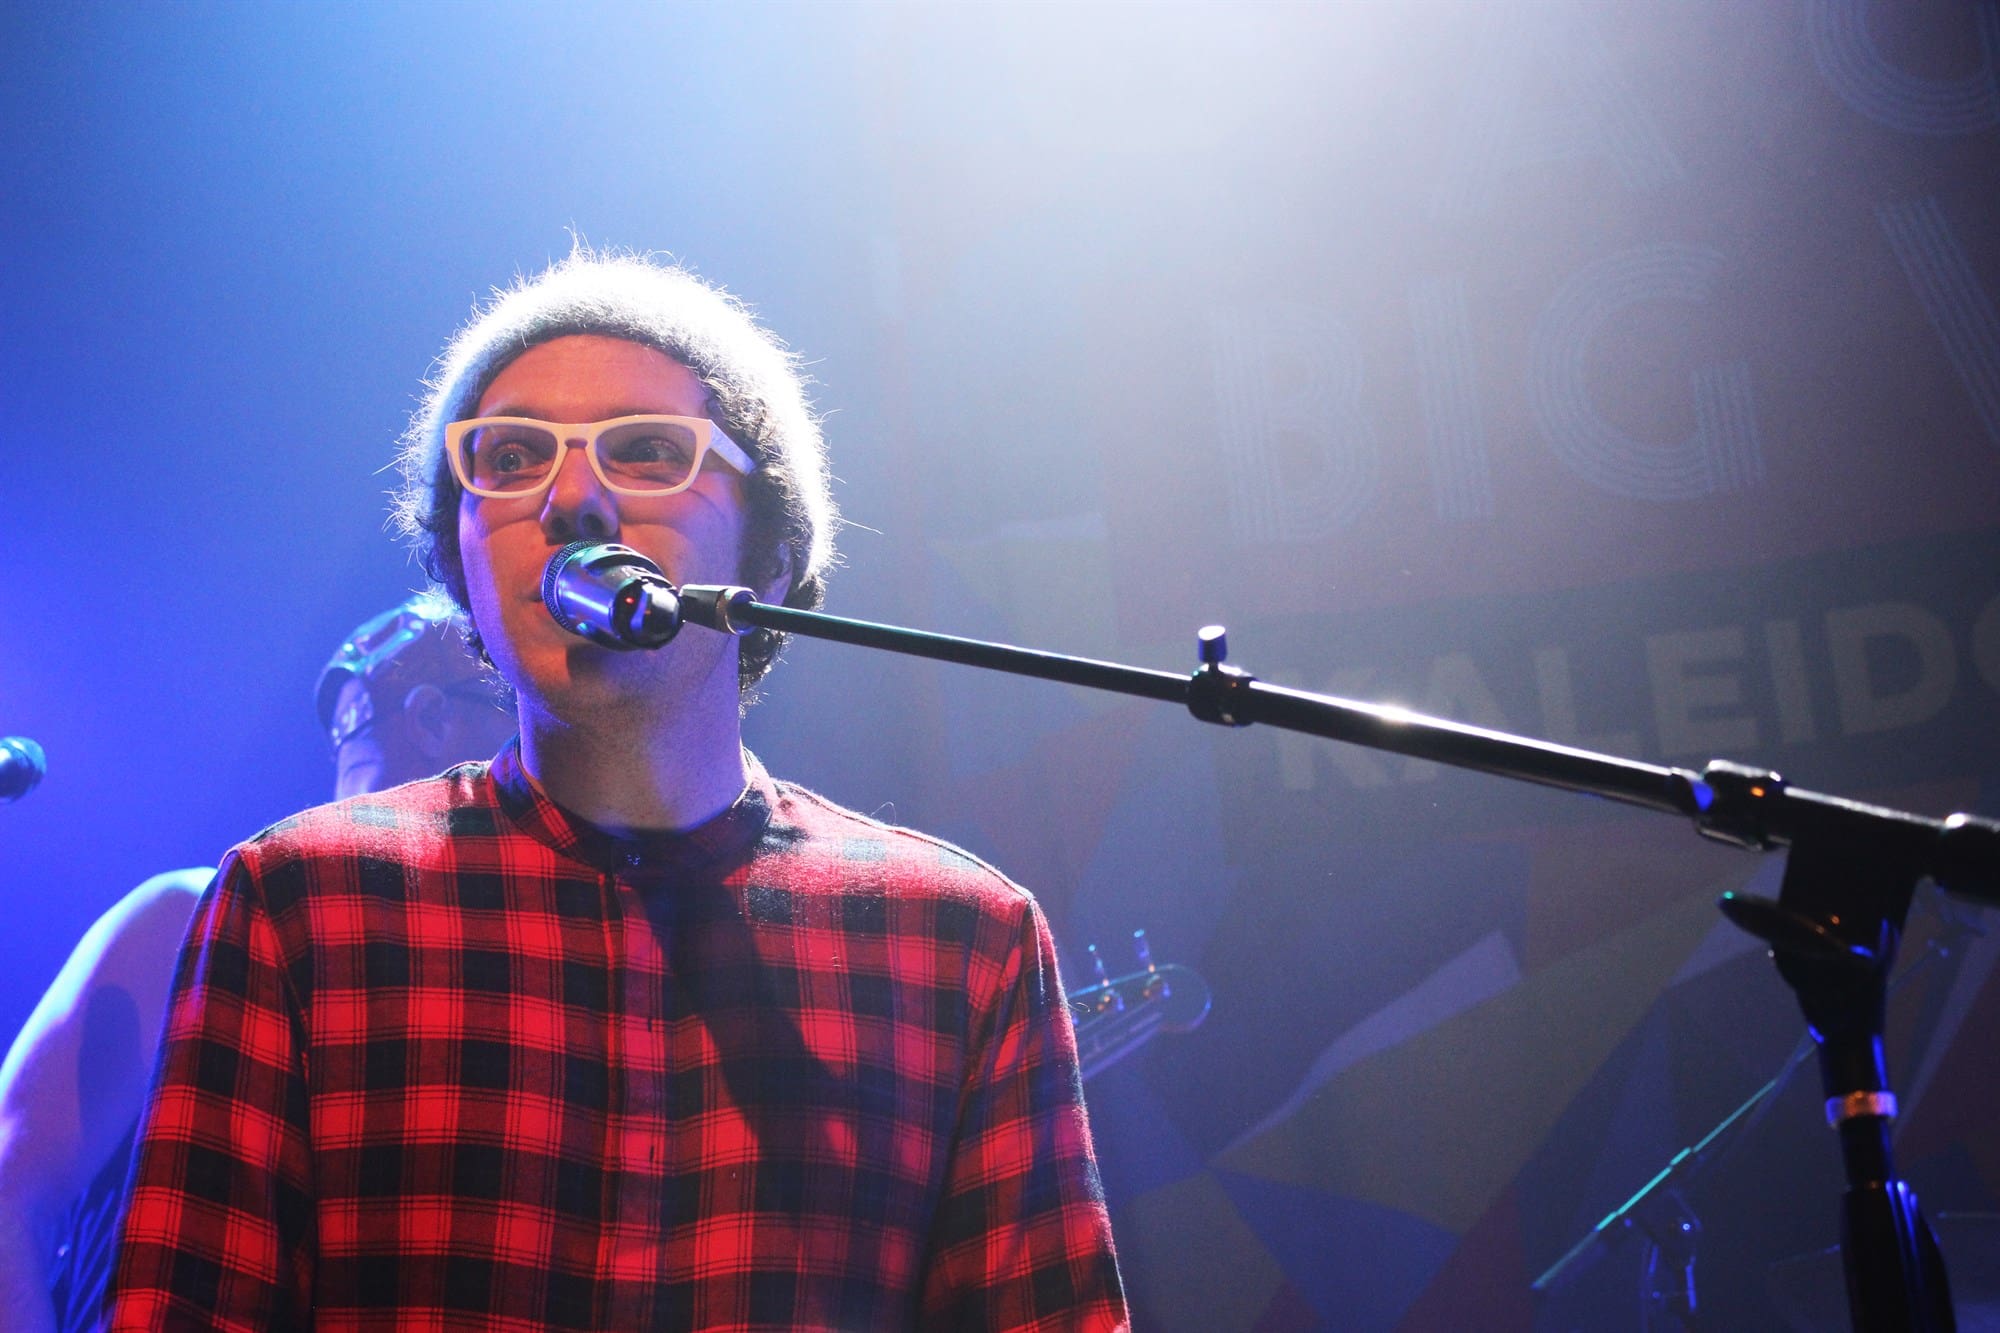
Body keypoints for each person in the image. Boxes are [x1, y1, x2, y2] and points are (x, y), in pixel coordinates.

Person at [105, 249, 1128, 1330]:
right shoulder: (299, 905)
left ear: (770, 563)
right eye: (509, 457)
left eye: (645, 451)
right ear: (461, 568)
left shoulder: (963, 941)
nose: (571, 499)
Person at [0, 596, 513, 1333]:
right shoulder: (190, 915)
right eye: (517, 713)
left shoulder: (493, 977)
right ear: (433, 718)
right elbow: (9, 1193)